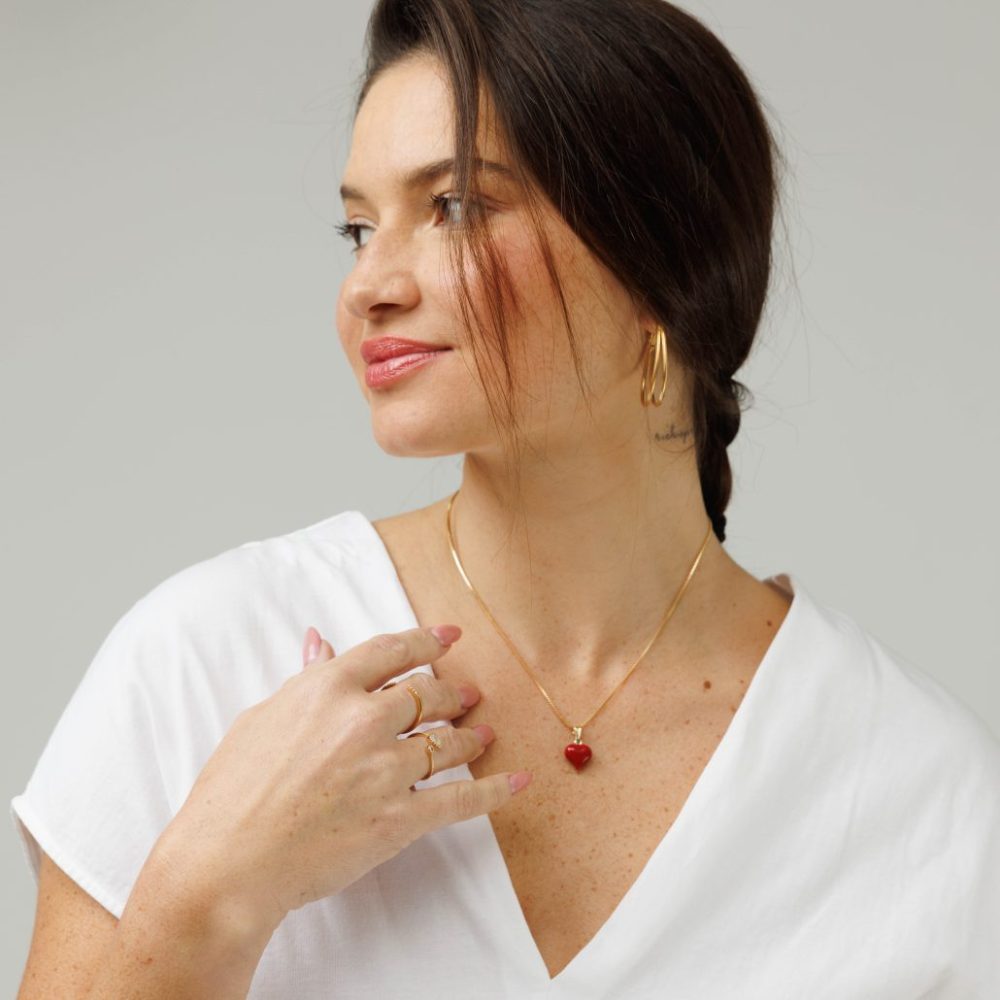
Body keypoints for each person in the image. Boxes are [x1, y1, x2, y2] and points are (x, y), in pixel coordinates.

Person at [11, 0, 1000, 997]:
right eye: (358, 229)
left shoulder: (923, 793)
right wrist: (213, 894)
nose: (367, 288)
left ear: (662, 259)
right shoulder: (211, 664)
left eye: (453, 206)